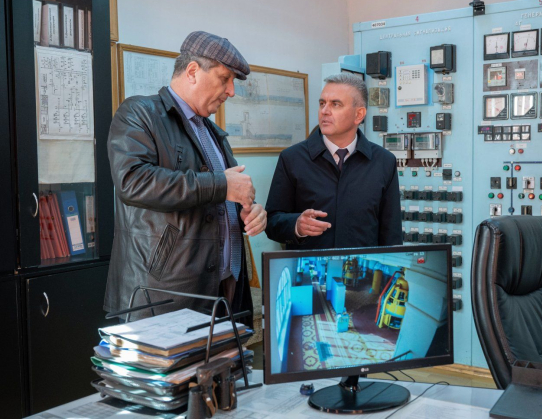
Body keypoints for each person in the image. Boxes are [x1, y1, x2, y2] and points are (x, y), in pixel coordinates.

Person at [105, 31, 266, 323]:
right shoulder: (139, 113)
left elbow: (222, 198)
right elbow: (133, 182)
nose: (231, 91)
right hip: (166, 295)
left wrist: (250, 213)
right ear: (192, 71)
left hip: (226, 289)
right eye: (225, 79)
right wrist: (222, 185)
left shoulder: (212, 132)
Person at [265, 73, 402, 250]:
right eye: (322, 103)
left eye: (335, 104)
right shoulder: (292, 158)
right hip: (309, 266)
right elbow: (271, 221)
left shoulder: (384, 162)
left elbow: (392, 234)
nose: (325, 111)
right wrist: (296, 225)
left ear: (359, 114)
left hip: (362, 266)